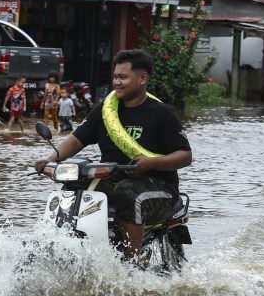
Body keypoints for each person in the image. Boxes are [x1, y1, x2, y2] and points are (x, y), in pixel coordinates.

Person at [34, 49, 192, 261]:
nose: (116, 82)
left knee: (127, 193)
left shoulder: (162, 114)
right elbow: (77, 139)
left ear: (142, 78)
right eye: (115, 77)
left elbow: (185, 156)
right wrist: (50, 159)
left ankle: (130, 264)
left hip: (158, 184)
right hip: (113, 177)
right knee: (74, 188)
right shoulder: (104, 111)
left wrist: (152, 162)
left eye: (123, 77)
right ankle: (67, 251)